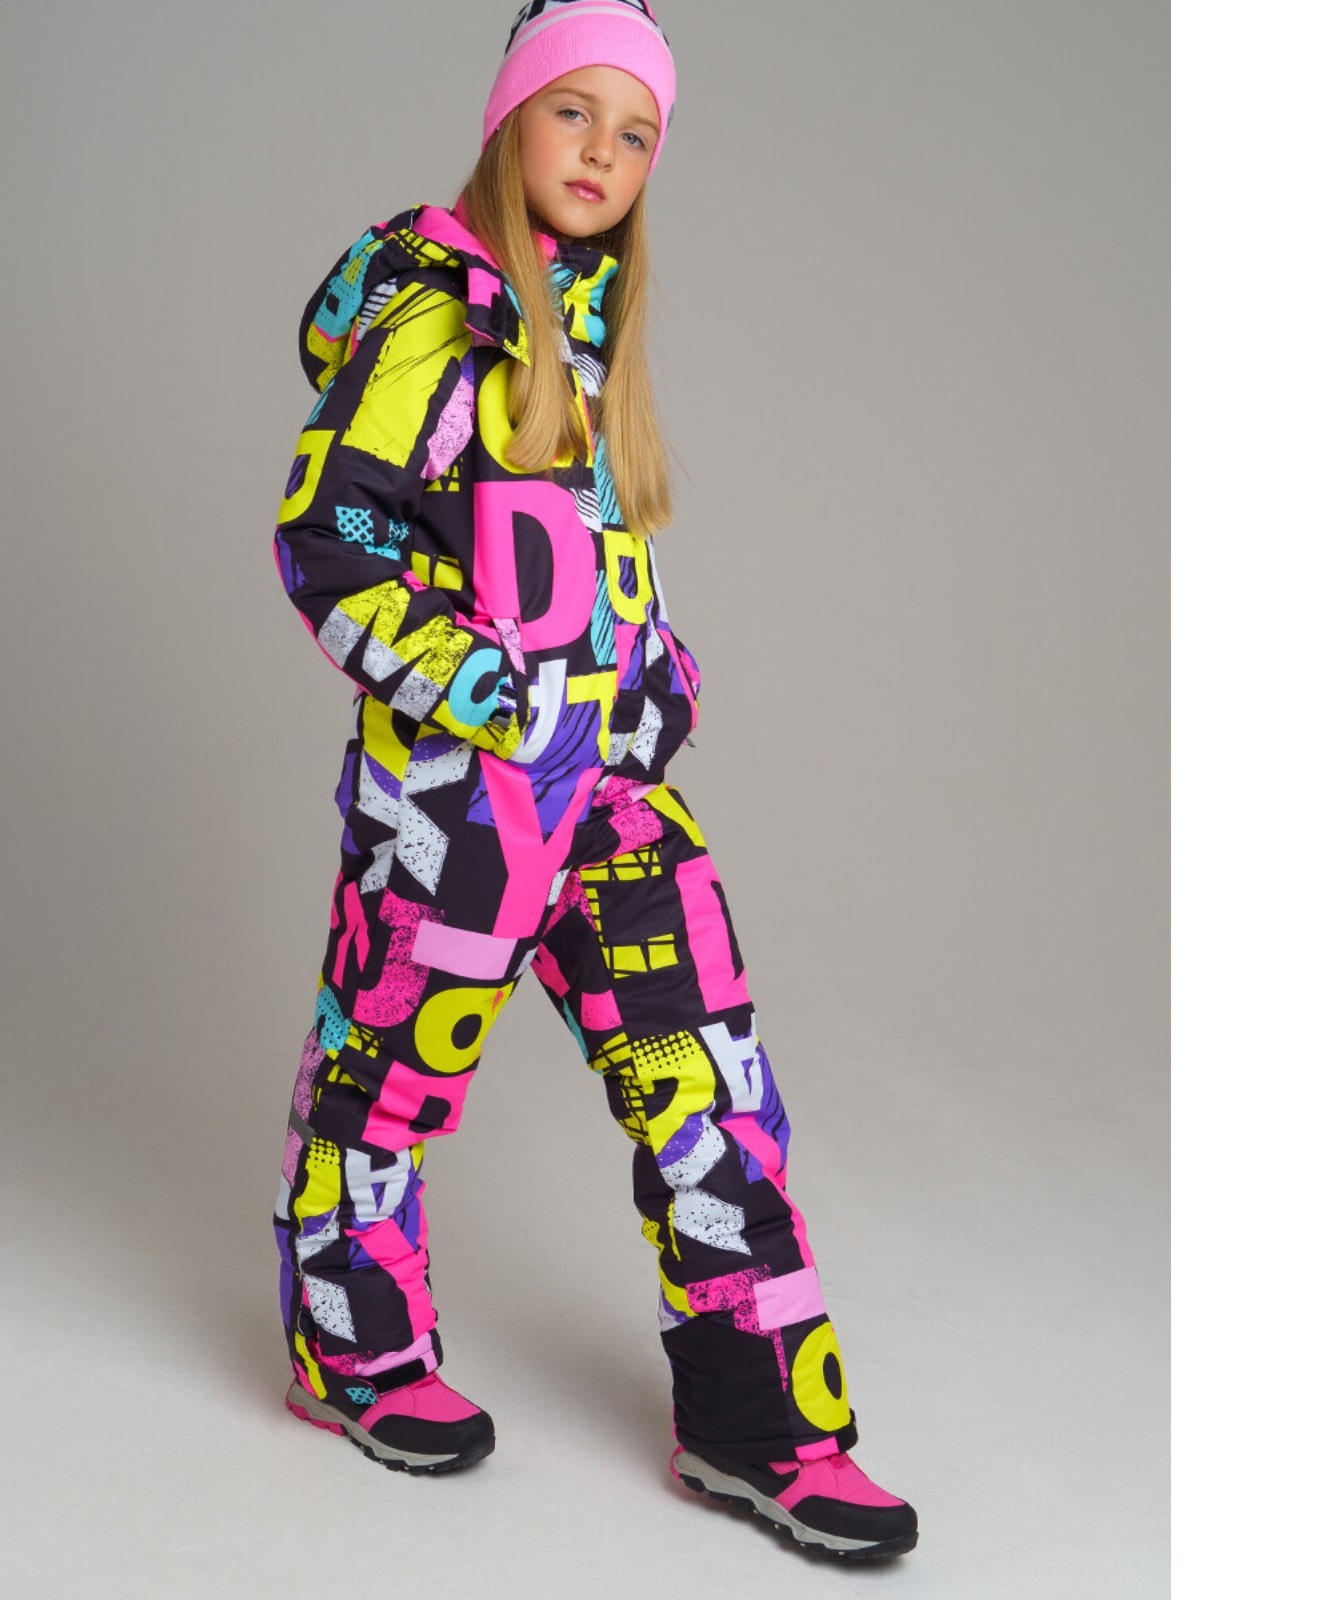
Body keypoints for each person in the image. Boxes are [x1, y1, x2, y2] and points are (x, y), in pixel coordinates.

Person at [266, 0, 918, 1563]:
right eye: (575, 114)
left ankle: (763, 1430)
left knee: (712, 1087)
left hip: (610, 796)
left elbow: (586, 546)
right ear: (511, 119)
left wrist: (655, 675)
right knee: (386, 1083)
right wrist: (484, 695)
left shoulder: (583, 321)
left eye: (635, 135)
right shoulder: (435, 312)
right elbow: (328, 536)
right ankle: (352, 1355)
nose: (602, 154)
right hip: (461, 807)